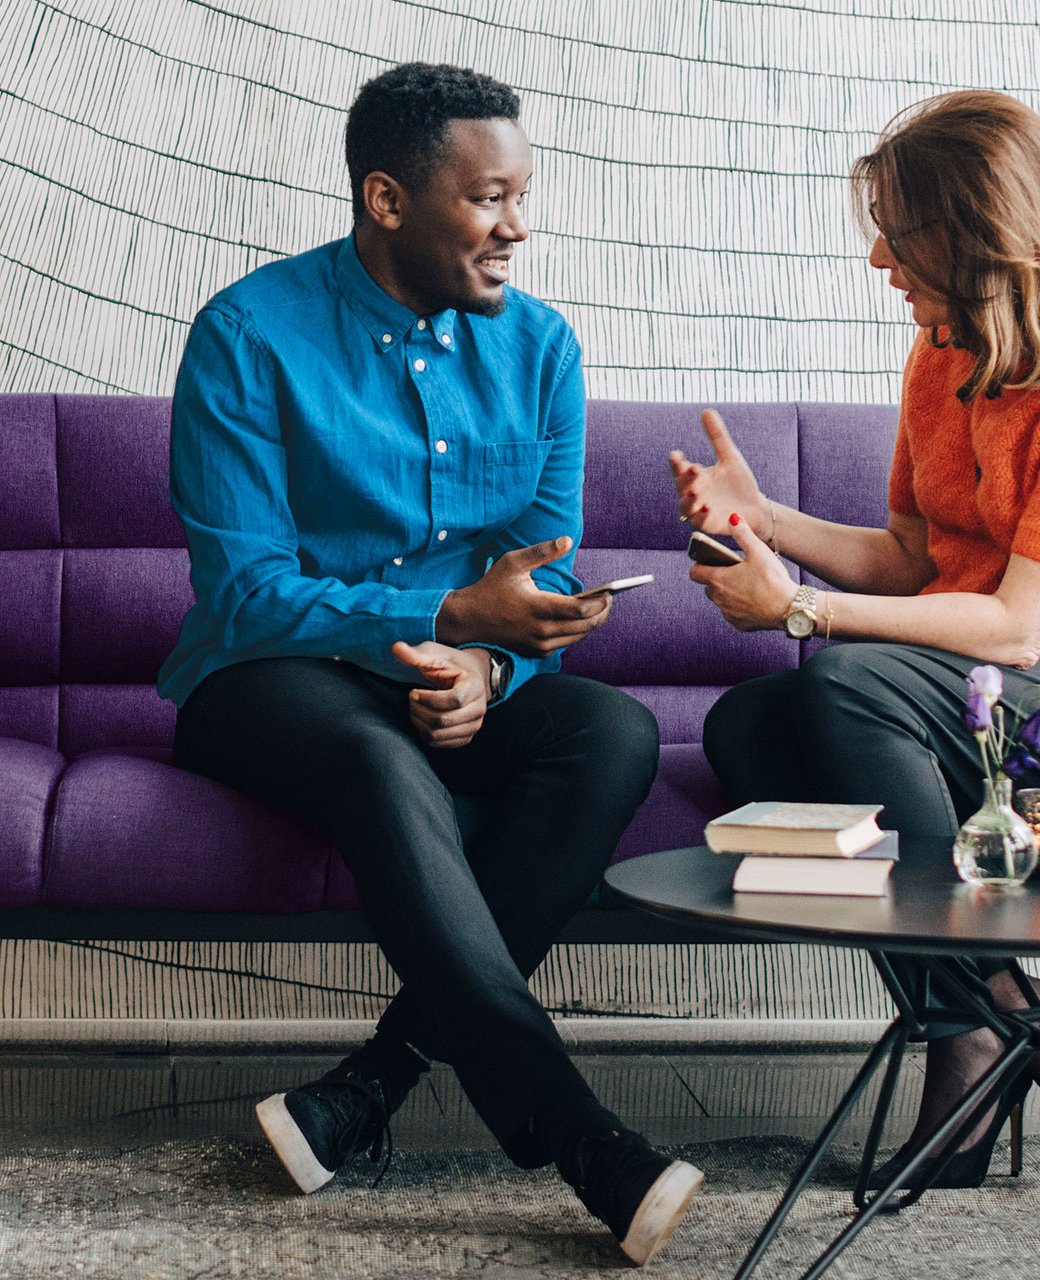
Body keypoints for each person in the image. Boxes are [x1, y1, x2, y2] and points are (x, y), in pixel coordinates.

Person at [160, 63, 700, 1264]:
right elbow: (246, 594)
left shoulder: (543, 344)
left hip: (449, 669)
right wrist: (452, 611)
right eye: (489, 197)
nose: (519, 226)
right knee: (373, 751)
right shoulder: (247, 335)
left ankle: (371, 1083)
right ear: (388, 199)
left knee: (607, 732)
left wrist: (491, 669)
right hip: (267, 676)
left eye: (523, 195)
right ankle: (579, 1137)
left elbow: (546, 571)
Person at [672, 90, 1040, 1188]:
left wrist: (797, 607)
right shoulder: (946, 348)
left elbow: (1021, 623)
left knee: (841, 686)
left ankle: (965, 1036)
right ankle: (1012, 1006)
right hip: (993, 680)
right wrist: (765, 519)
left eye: (901, 226)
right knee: (752, 725)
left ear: (984, 233)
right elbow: (914, 558)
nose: (879, 254)